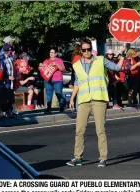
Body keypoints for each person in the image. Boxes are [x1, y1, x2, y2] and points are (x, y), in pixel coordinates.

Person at [67, 38, 125, 168]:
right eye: (84, 50)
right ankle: (77, 157)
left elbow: (117, 67)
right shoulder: (76, 65)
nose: (87, 52)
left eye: (89, 49)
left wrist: (122, 55)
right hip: (83, 100)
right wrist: (72, 98)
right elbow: (77, 82)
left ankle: (103, 158)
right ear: (81, 51)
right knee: (79, 130)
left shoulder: (100, 60)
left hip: (99, 98)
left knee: (100, 130)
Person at [40, 47, 65, 113]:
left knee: (58, 94)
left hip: (58, 80)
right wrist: (41, 66)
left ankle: (61, 107)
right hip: (48, 80)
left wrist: (56, 64)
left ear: (56, 54)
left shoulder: (59, 60)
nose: (51, 54)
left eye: (53, 52)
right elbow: (43, 70)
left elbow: (62, 69)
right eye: (50, 52)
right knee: (48, 95)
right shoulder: (46, 60)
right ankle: (48, 109)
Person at [0, 44, 17, 118]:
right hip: (5, 81)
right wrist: (7, 76)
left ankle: (9, 112)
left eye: (10, 50)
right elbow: (1, 70)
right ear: (6, 51)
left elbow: (12, 69)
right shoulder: (1, 58)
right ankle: (2, 112)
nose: (11, 51)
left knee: (10, 96)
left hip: (11, 81)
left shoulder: (10, 58)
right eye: (9, 50)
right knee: (3, 96)